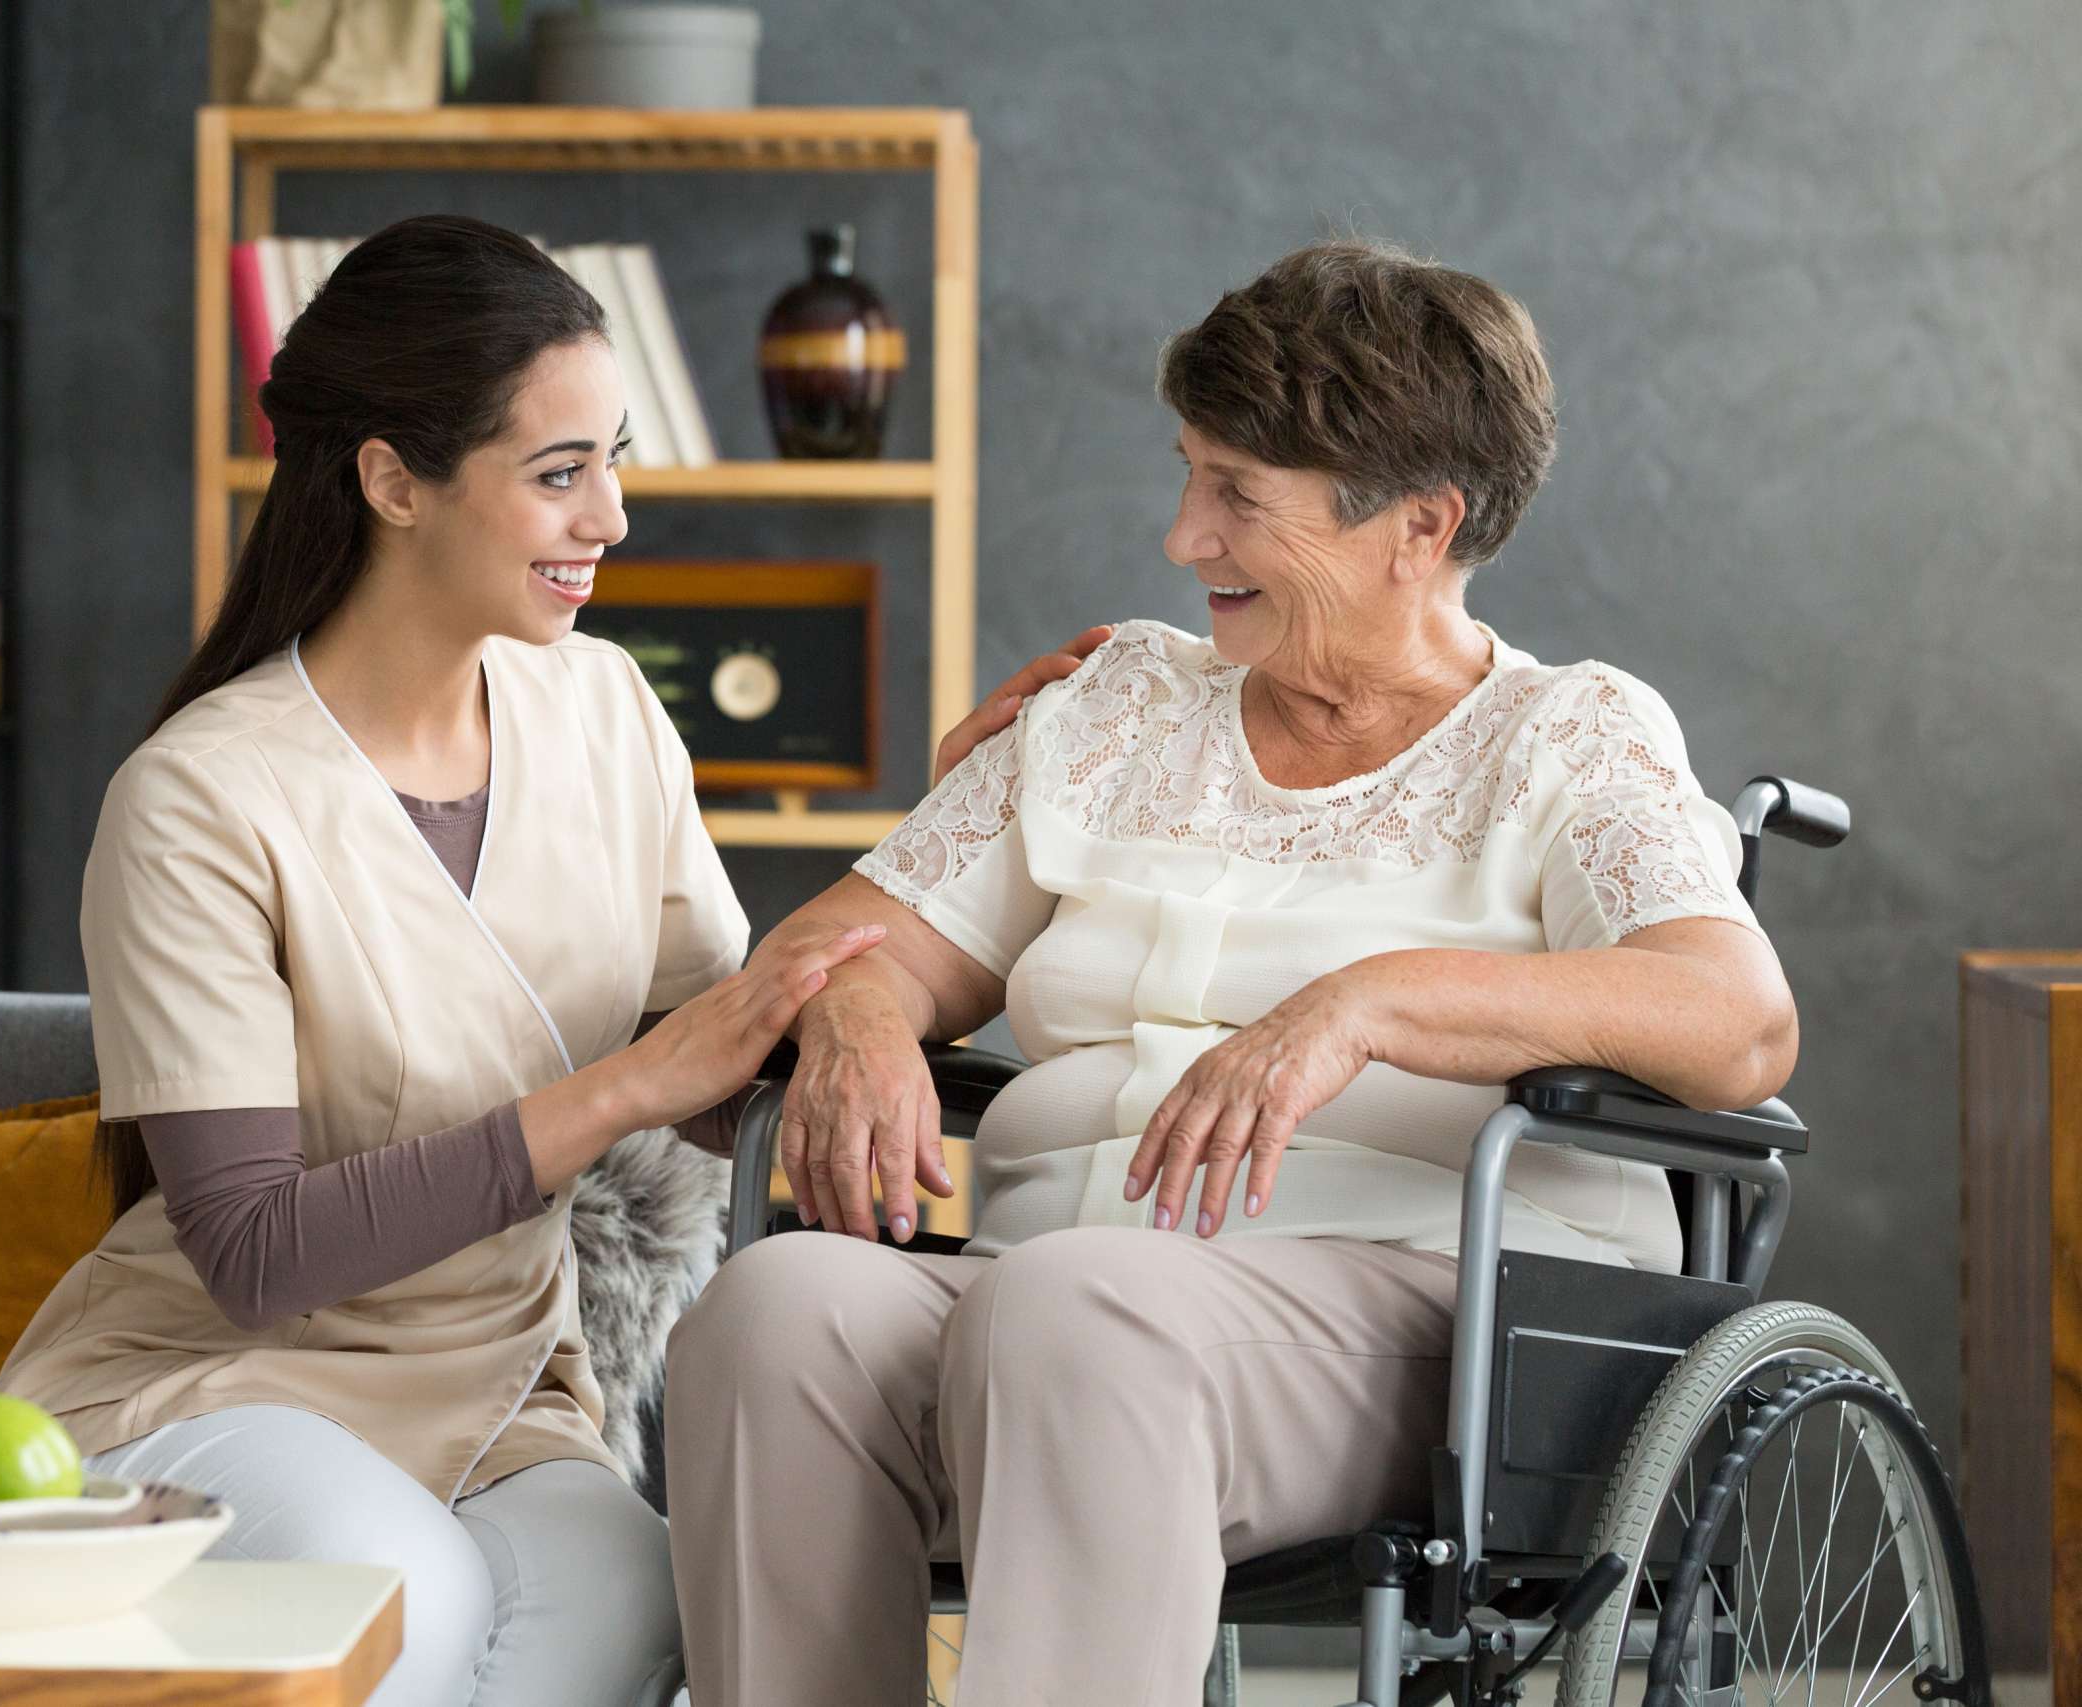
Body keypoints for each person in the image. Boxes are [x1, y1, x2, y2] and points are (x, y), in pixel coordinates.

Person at [664, 238, 1802, 1705]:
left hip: (1419, 1317)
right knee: (778, 1312)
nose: (1183, 537)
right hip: (1042, 1285)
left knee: (1073, 1310)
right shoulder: (1120, 704)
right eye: (1191, 473)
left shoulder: (1568, 739)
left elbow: (1737, 1021)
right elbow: (849, 939)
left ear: (1417, 527)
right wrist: (865, 1019)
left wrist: (1371, 1001)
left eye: (1237, 497)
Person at [0, 213, 1099, 1707]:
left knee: (643, 1603)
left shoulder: (604, 711)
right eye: (560, 473)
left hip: (513, 1390)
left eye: (615, 461)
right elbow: (253, 1256)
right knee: (416, 1603)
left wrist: (984, 805)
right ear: (392, 478)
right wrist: (626, 1087)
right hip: (217, 1384)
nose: (615, 518)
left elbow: (723, 1064)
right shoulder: (199, 800)